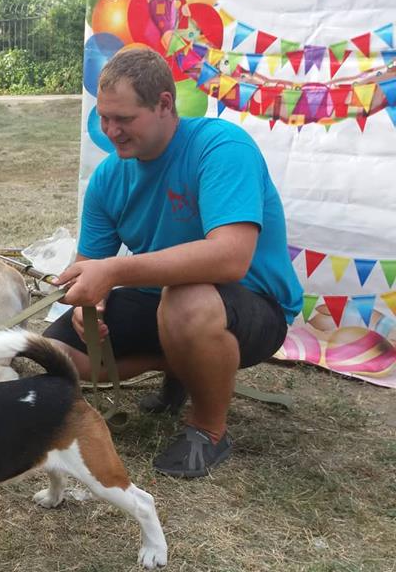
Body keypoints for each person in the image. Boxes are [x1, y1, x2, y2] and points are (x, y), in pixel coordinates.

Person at [44, 47, 303, 479]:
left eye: (123, 119)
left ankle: (208, 430)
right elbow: (90, 265)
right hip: (162, 302)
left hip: (252, 306)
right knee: (54, 355)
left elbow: (231, 257)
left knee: (186, 301)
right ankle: (181, 366)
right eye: (104, 117)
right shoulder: (108, 178)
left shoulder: (221, 147)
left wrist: (114, 272)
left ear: (164, 104)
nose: (111, 131)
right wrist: (90, 304)